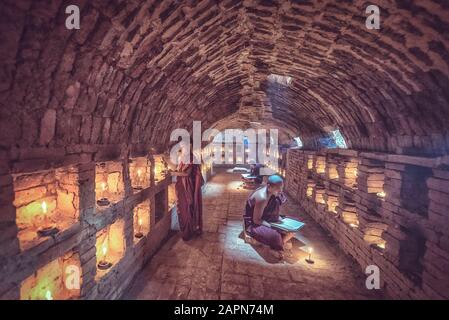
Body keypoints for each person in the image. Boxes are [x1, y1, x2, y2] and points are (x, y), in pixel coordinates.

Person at [243, 175, 295, 258]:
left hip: (267, 217)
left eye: (281, 187)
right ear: (269, 186)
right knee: (275, 236)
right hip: (254, 223)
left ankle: (281, 241)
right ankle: (279, 245)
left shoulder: (274, 193)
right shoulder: (262, 197)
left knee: (293, 223)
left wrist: (279, 220)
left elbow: (273, 211)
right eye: (278, 188)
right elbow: (256, 220)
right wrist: (274, 226)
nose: (280, 191)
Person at [170, 145, 204, 241]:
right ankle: (186, 230)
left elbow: (186, 173)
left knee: (187, 208)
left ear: (190, 146)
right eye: (181, 147)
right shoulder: (183, 158)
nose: (182, 148)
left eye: (184, 146)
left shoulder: (192, 158)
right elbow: (180, 170)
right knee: (182, 208)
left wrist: (172, 173)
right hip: (182, 186)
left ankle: (188, 232)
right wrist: (173, 170)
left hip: (188, 187)